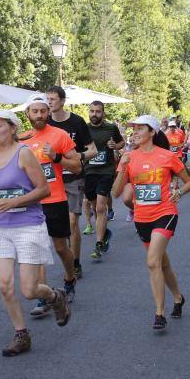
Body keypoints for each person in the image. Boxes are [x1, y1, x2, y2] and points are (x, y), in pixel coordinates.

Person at [0, 109, 70, 356]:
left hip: (28, 225)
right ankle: (21, 334)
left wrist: (15, 202)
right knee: (5, 286)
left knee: (29, 290)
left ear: (13, 128)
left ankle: (54, 297)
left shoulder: (24, 153)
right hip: (0, 227)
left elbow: (44, 190)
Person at [112, 115, 190, 329]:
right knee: (162, 263)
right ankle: (178, 297)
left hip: (165, 213)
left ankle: (159, 313)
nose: (135, 132)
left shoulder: (167, 156)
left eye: (140, 129)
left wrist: (179, 193)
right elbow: (116, 192)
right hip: (142, 218)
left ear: (152, 132)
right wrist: (122, 166)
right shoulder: (129, 157)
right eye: (134, 129)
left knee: (152, 262)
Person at [20, 93, 82, 314]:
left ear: (48, 112)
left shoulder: (59, 135)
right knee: (37, 247)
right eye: (35, 111)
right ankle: (44, 296)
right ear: (27, 113)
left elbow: (77, 167)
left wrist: (56, 157)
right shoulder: (22, 140)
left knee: (60, 247)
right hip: (32, 201)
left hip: (55, 199)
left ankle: (69, 278)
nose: (39, 115)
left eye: (43, 111)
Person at [46, 86, 97, 280]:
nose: (49, 103)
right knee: (58, 227)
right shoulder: (45, 122)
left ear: (62, 101)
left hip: (73, 177)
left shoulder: (76, 122)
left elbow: (93, 150)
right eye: (47, 99)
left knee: (73, 221)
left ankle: (75, 263)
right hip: (51, 179)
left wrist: (78, 157)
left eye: (53, 99)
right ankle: (68, 258)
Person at [85, 100, 124, 260]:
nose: (95, 114)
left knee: (101, 208)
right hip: (88, 171)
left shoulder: (111, 128)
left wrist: (115, 145)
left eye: (98, 111)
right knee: (95, 208)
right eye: (92, 111)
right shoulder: (84, 129)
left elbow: (121, 142)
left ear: (103, 113)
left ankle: (99, 243)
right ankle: (104, 231)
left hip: (106, 171)